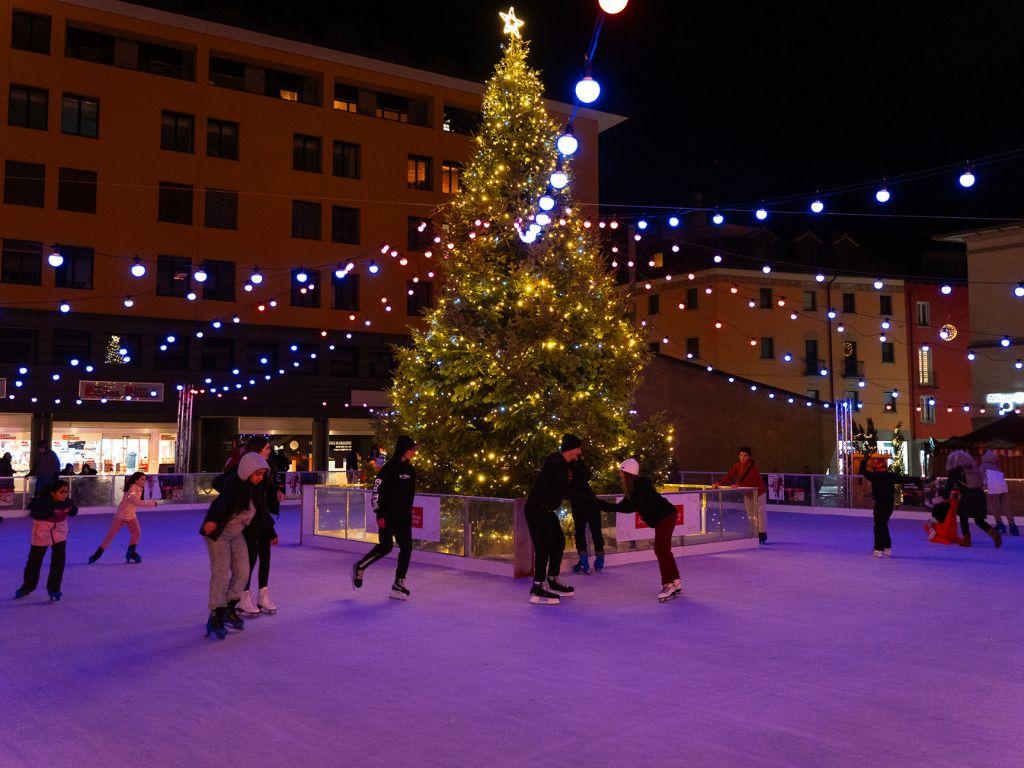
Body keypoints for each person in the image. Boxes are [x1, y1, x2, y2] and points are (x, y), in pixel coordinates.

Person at [199, 452, 270, 640]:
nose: (260, 477)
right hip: (218, 533)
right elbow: (219, 505)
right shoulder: (234, 487)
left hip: (237, 534)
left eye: (262, 474)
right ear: (247, 471)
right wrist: (212, 521)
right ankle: (216, 613)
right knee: (221, 573)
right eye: (257, 474)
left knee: (243, 571)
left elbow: (262, 515)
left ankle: (230, 607)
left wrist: (270, 533)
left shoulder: (257, 490)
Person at [522, 434, 596, 605]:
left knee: (558, 542)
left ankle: (552, 579)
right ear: (571, 448)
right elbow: (563, 491)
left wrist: (588, 497)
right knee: (543, 547)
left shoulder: (564, 464)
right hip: (536, 509)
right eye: (578, 448)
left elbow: (580, 480)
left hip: (546, 510)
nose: (579, 452)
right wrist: (586, 500)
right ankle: (538, 586)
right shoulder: (555, 465)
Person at [351, 435, 418, 600]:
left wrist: (409, 514)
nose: (414, 453)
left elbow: (410, 495)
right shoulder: (388, 469)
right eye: (411, 450)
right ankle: (360, 566)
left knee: (407, 547)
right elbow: (377, 491)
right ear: (403, 449)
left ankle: (398, 583)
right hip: (387, 516)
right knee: (386, 546)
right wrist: (379, 513)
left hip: (403, 518)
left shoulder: (410, 470)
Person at [606, 459, 682, 602]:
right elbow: (626, 505)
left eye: (621, 471)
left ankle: (668, 584)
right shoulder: (636, 486)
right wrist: (606, 506)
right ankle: (675, 580)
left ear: (627, 473)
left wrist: (606, 507)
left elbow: (628, 507)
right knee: (663, 549)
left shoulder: (639, 488)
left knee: (661, 549)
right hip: (666, 516)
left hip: (665, 516)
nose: (619, 474)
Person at [234, 436, 282, 616]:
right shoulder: (246, 473)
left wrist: (277, 489)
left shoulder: (266, 471)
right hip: (250, 523)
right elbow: (258, 502)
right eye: (267, 448)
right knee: (250, 559)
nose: (269, 451)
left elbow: (265, 498)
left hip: (263, 521)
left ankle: (263, 595)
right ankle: (243, 596)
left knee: (265, 558)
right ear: (257, 450)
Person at [15, 480, 78, 601]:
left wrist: (70, 510)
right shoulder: (42, 501)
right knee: (35, 561)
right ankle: (28, 586)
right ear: (53, 493)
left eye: (66, 492)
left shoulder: (67, 502)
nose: (65, 495)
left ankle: (54, 588)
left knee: (59, 561)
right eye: (61, 492)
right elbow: (35, 513)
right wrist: (52, 511)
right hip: (42, 531)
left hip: (59, 531)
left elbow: (74, 512)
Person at [87, 471, 156, 564]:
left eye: (145, 479)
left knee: (137, 532)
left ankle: (130, 553)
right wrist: (152, 503)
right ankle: (97, 554)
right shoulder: (132, 489)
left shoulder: (139, 488)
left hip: (131, 515)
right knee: (110, 536)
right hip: (121, 516)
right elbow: (136, 501)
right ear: (136, 480)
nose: (144, 481)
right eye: (142, 479)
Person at [859, 454, 915, 557]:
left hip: (879, 504)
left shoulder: (874, 476)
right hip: (889, 504)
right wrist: (921, 479)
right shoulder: (890, 476)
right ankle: (887, 547)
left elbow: (862, 470)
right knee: (883, 524)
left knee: (878, 526)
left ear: (876, 467)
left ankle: (878, 548)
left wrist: (865, 460)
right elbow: (905, 479)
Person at [943, 450, 1001, 548]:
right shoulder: (973, 468)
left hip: (968, 496)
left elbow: (949, 485)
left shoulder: (956, 471)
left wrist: (945, 497)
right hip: (980, 495)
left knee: (963, 516)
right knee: (978, 520)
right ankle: (994, 533)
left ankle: (967, 540)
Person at [713, 446, 768, 543]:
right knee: (750, 513)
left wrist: (738, 485)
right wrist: (719, 483)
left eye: (745, 456)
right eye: (741, 455)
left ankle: (762, 534)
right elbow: (730, 475)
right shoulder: (737, 466)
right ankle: (754, 532)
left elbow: (748, 479)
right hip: (748, 493)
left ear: (749, 457)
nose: (743, 458)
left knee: (760, 513)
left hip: (759, 492)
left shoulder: (752, 467)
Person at [568, 457, 606, 574]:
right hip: (592, 502)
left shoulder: (567, 465)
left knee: (580, 533)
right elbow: (588, 475)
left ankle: (584, 562)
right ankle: (599, 560)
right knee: (596, 531)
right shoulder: (580, 464)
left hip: (579, 504)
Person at [980, 450, 1018, 536]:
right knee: (1006, 506)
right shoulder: (996, 466)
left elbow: (981, 478)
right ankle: (1013, 527)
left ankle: (1000, 525)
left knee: (993, 506)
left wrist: (983, 487)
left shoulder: (983, 466)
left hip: (992, 488)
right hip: (1003, 487)